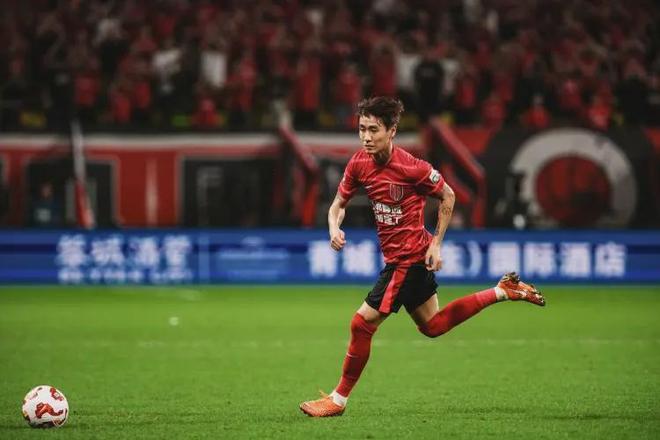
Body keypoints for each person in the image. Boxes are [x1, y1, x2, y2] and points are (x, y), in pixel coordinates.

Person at [299, 96, 545, 417]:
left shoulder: (412, 167)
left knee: (361, 324)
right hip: (400, 259)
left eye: (373, 130)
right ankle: (503, 291)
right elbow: (337, 205)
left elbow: (448, 195)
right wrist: (334, 227)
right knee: (433, 325)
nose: (366, 137)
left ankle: (338, 400)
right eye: (362, 129)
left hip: (408, 260)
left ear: (392, 131)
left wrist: (436, 244)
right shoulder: (359, 163)